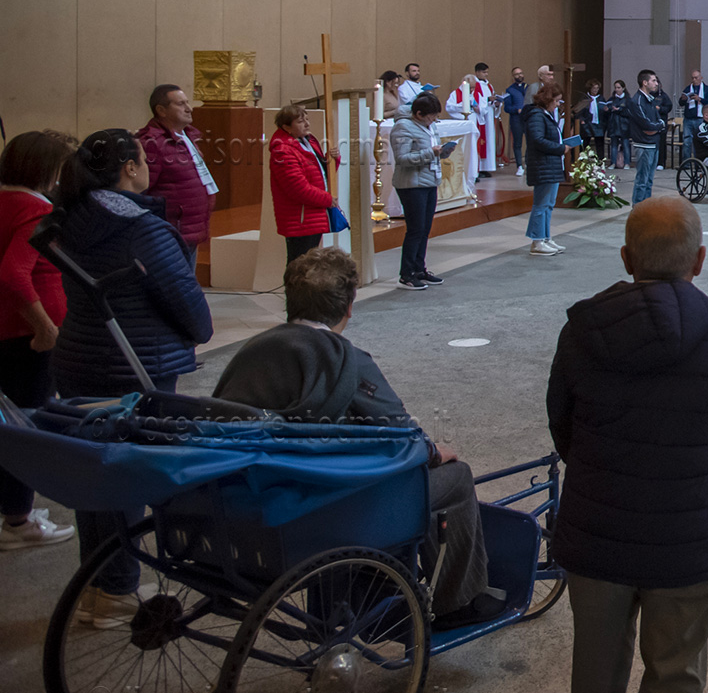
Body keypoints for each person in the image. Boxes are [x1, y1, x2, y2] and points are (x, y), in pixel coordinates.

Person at [547, 198, 708, 693]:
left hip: (597, 537)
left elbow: (563, 428)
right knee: (677, 679)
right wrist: (697, 486)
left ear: (626, 258)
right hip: (688, 541)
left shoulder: (580, 334)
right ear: (700, 260)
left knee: (595, 674)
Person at [212, 248, 500, 623]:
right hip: (320, 504)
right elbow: (401, 434)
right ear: (349, 307)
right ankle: (458, 603)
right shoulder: (346, 360)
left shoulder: (252, 351)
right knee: (455, 477)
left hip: (245, 496)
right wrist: (432, 452)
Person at [47, 129, 214, 623]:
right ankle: (118, 589)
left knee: (93, 473)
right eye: (143, 159)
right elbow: (189, 306)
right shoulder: (141, 228)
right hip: (135, 363)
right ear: (129, 168)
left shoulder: (72, 216)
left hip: (79, 355)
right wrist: (198, 331)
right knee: (127, 477)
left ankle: (98, 582)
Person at [0, 130, 78, 550]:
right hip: (26, 336)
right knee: (25, 426)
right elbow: (14, 273)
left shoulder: (7, 202)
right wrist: (44, 326)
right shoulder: (35, 208)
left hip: (9, 331)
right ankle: (18, 520)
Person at [137, 83, 216, 258]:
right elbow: (142, 189)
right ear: (161, 110)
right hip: (171, 232)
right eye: (181, 104)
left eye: (187, 102)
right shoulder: (152, 143)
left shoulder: (186, 136)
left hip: (189, 228)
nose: (189, 109)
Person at [389, 93, 456, 289]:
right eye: (431, 116)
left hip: (429, 181)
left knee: (425, 229)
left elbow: (432, 151)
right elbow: (402, 158)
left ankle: (419, 269)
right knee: (415, 229)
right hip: (411, 184)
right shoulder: (402, 127)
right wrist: (430, 152)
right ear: (418, 114)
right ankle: (406, 274)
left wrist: (443, 152)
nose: (434, 120)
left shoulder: (429, 126)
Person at [268, 103, 337, 263]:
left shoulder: (308, 141)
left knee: (308, 264)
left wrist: (332, 160)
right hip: (300, 218)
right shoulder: (283, 151)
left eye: (307, 119)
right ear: (286, 127)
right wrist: (326, 199)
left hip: (312, 215)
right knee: (299, 264)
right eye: (300, 121)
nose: (307, 124)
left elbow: (319, 175)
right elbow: (297, 188)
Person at [524, 82, 580, 256]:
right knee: (541, 204)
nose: (557, 104)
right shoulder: (536, 115)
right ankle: (537, 241)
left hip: (551, 165)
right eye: (556, 101)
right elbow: (537, 140)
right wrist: (560, 148)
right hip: (542, 165)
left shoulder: (546, 115)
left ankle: (546, 237)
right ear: (547, 99)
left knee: (548, 204)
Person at [625, 70, 674, 206]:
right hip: (644, 144)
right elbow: (646, 125)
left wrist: (657, 127)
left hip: (654, 142)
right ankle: (638, 208)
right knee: (642, 180)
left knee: (649, 180)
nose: (656, 83)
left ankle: (646, 207)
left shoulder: (650, 99)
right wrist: (657, 126)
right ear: (645, 83)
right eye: (653, 80)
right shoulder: (637, 101)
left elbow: (661, 122)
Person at [502, 66, 530, 174]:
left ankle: (527, 162)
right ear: (513, 76)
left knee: (530, 141)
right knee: (517, 143)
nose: (519, 75)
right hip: (516, 120)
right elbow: (507, 108)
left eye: (521, 73)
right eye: (517, 74)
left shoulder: (528, 88)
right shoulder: (510, 90)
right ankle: (519, 166)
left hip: (528, 118)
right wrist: (516, 110)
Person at [679, 71, 708, 162]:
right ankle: (686, 163)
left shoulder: (706, 89)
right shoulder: (688, 89)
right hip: (688, 119)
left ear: (701, 77)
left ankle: (699, 163)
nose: (694, 80)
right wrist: (683, 99)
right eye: (692, 78)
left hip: (700, 118)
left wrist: (700, 99)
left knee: (699, 142)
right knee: (687, 141)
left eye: (696, 78)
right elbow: (680, 103)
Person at [604, 79, 631, 169]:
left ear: (623, 88)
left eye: (619, 87)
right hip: (614, 125)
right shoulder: (612, 99)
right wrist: (607, 110)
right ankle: (613, 163)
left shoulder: (627, 100)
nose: (617, 89)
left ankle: (627, 163)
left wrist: (619, 110)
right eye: (615, 87)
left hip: (624, 125)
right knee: (614, 145)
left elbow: (630, 112)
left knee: (625, 144)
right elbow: (607, 109)